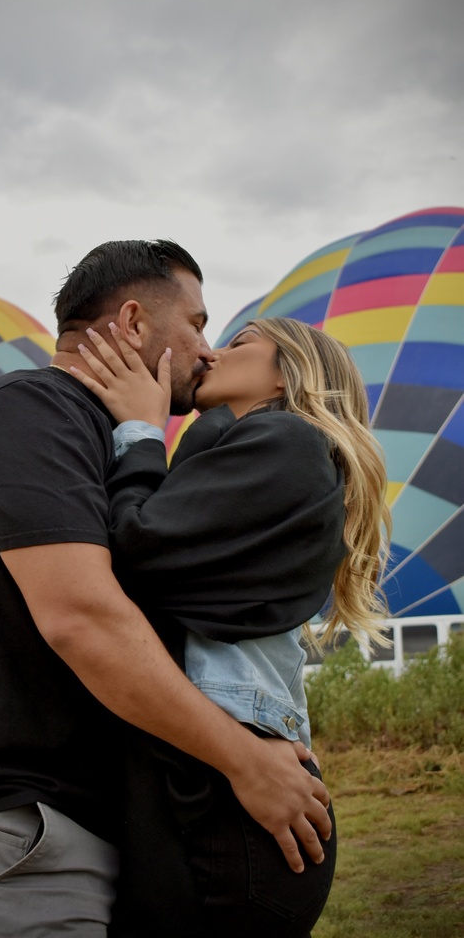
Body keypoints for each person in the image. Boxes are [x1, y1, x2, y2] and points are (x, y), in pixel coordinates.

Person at [0, 242, 332, 938]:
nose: (207, 351)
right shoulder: (33, 407)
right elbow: (83, 617)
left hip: (70, 824)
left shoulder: (108, 440)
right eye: (197, 325)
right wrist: (246, 760)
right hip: (10, 818)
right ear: (132, 322)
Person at [70, 316, 390, 937]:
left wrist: (140, 432)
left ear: (288, 374)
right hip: (229, 802)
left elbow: (136, 551)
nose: (212, 352)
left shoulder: (288, 439)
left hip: (228, 811)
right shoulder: (268, 458)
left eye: (240, 343)